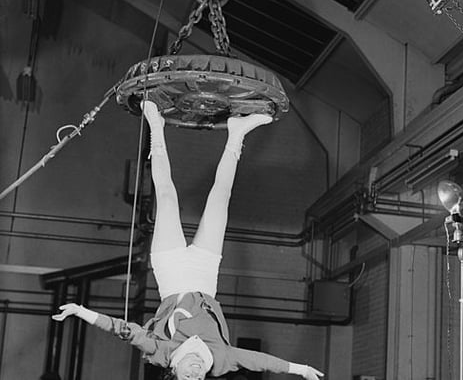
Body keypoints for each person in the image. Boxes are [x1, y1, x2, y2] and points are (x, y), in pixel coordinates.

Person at [52, 101, 323, 380]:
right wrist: (299, 369)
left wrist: (80, 310)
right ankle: (237, 133)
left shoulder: (163, 352)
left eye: (186, 379)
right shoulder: (220, 359)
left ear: (174, 372)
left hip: (171, 273)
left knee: (167, 198)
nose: (194, 374)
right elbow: (258, 361)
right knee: (220, 200)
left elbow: (124, 330)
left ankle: (155, 125)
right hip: (205, 275)